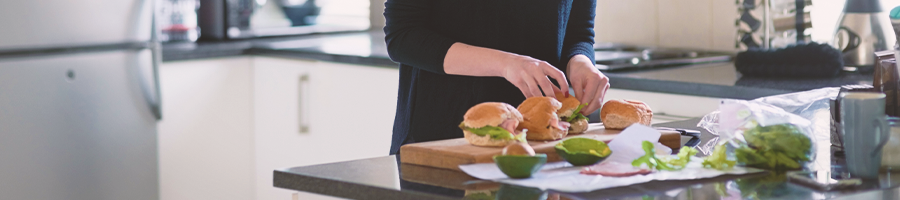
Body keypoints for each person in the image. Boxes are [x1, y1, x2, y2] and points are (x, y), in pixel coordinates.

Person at [384, 0, 609, 155]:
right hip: (443, 135)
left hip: (543, 139)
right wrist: (506, 64)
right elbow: (403, 36)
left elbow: (579, 32)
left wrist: (580, 61)